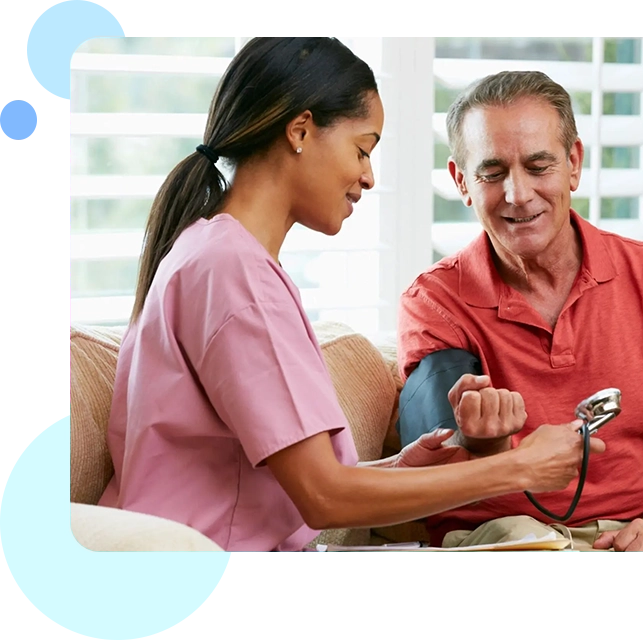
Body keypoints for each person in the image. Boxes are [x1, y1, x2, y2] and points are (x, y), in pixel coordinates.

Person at [97, 36, 597, 552]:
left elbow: (282, 481)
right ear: (300, 131)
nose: (368, 176)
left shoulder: (213, 251)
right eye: (361, 148)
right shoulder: (232, 273)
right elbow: (323, 498)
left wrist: (398, 470)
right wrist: (518, 467)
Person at [397, 70, 643, 552]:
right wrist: (483, 445)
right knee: (520, 546)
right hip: (516, 534)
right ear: (461, 181)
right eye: (493, 173)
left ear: (573, 163)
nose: (518, 194)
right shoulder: (434, 301)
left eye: (539, 167)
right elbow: (424, 481)